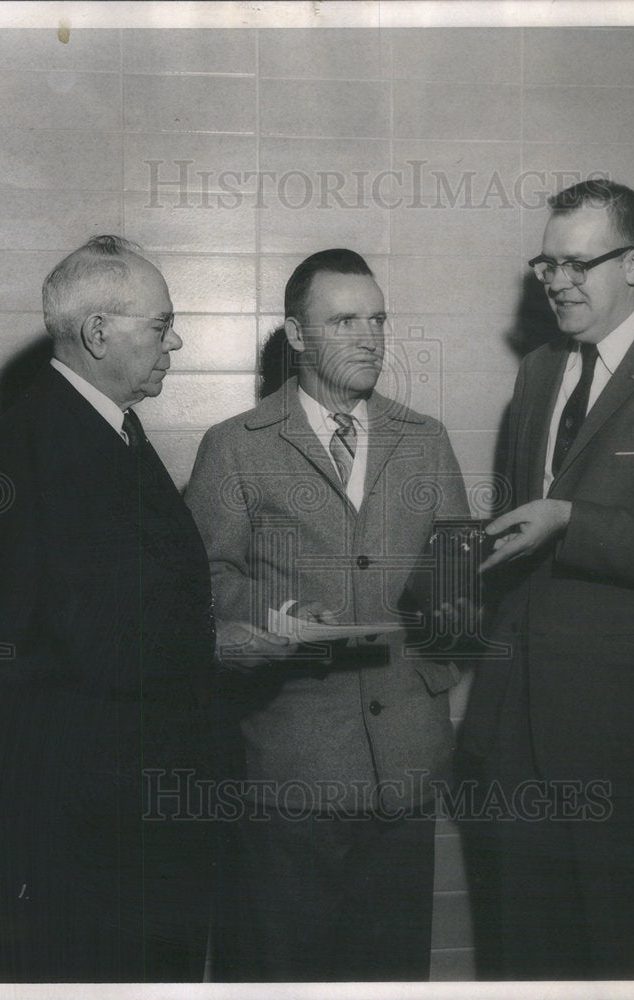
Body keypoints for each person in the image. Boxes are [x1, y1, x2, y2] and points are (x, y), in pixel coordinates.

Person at [461, 180, 634, 980]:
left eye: (577, 263)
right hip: (521, 745)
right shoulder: (540, 372)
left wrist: (572, 522)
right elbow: (519, 556)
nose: (556, 281)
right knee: (528, 962)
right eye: (546, 263)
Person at [185, 248, 470, 981]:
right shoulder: (235, 448)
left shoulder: (425, 439)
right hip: (290, 766)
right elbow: (201, 580)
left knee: (391, 975)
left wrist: (459, 617)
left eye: (377, 318)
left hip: (404, 767)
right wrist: (278, 614)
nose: (369, 336)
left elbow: (457, 587)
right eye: (344, 320)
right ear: (296, 334)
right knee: (282, 972)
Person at [0, 235, 235, 982]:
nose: (175, 341)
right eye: (161, 326)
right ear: (100, 332)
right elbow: (91, 638)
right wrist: (226, 644)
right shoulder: (48, 435)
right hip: (92, 813)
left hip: (124, 796)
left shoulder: (102, 424)